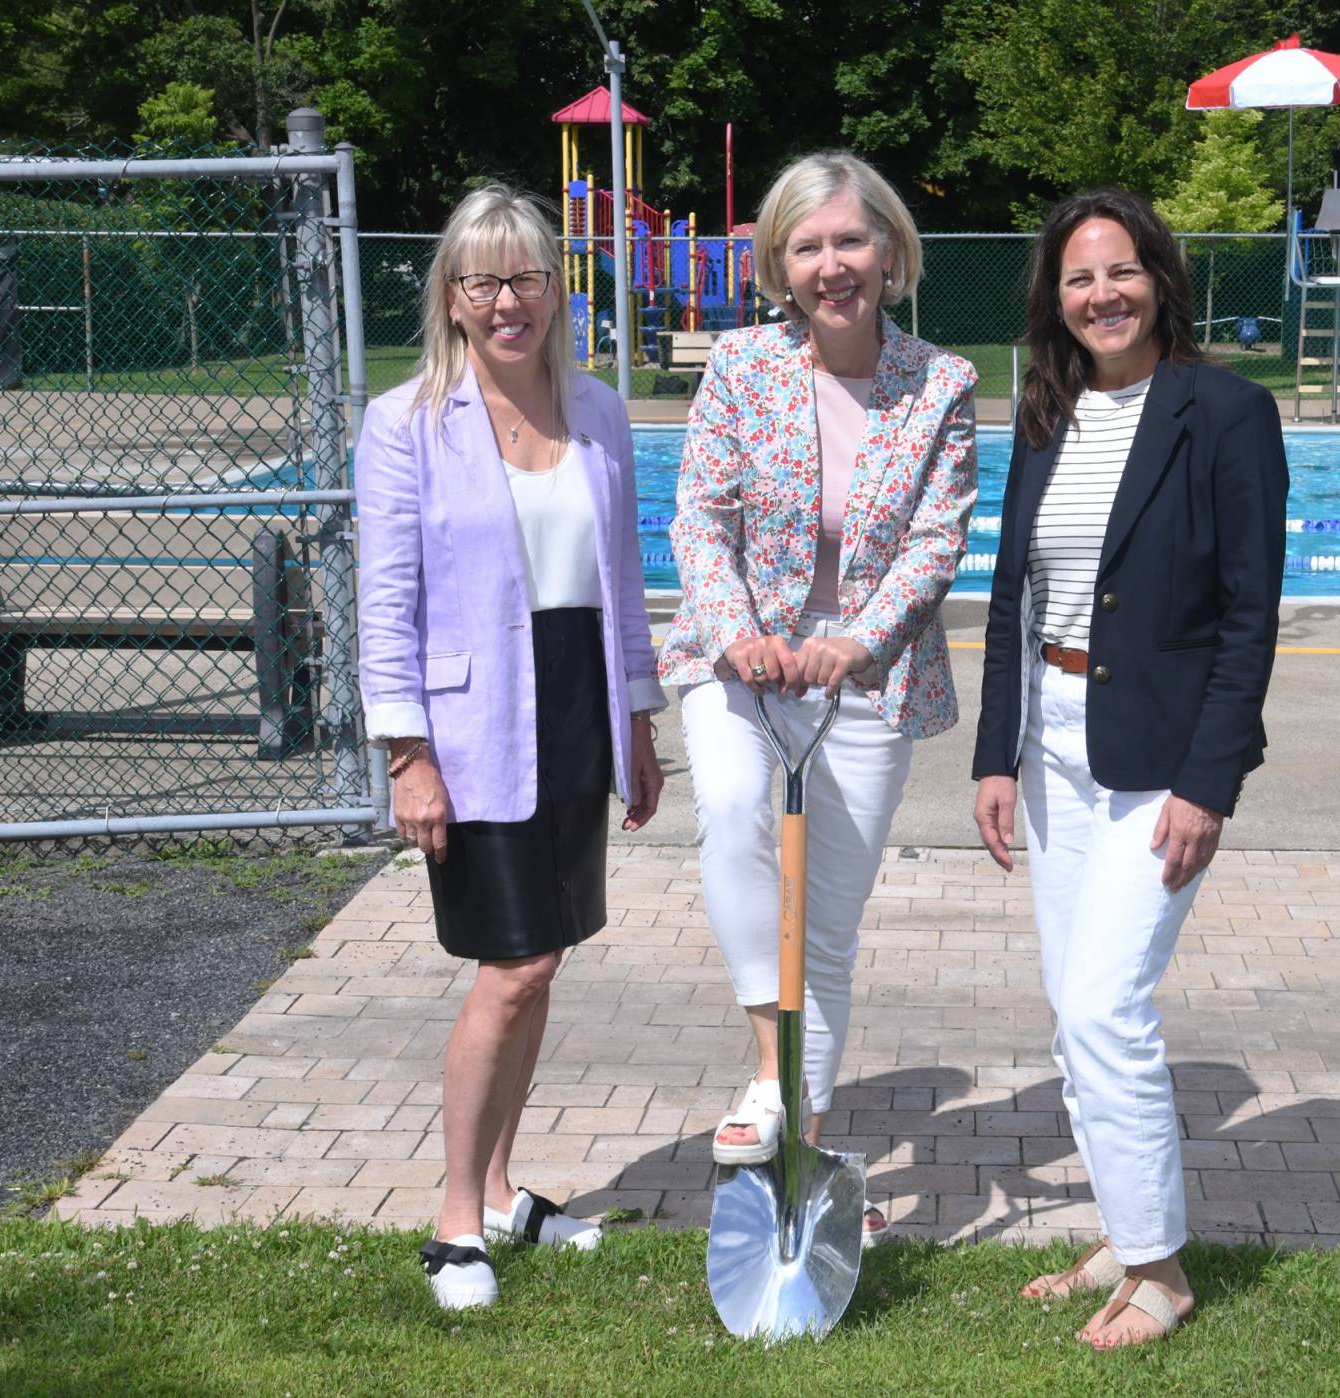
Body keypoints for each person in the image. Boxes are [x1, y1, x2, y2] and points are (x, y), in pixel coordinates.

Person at [970, 188, 1287, 1348]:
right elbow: (1011, 594)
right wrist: (996, 754)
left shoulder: (1227, 412)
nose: (1102, 295)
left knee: (1107, 1005)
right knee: (1073, 1013)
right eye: (1078, 278)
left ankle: (1160, 1268)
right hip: (1051, 744)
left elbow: (1250, 614)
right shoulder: (1045, 414)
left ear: (1159, 278)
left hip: (1160, 759)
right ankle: (1121, 1228)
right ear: (1054, 299)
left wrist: (1210, 782)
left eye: (1121, 271)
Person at [355, 184, 666, 1310]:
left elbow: (621, 577)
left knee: (548, 960)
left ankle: (497, 1192)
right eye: (481, 281)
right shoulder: (404, 423)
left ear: (554, 289)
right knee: (513, 966)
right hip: (474, 726)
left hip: (579, 706)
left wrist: (639, 718)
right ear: (451, 296)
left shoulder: (599, 411)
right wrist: (408, 755)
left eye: (526, 277)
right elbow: (386, 604)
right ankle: (455, 1222)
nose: (506, 301)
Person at [659, 151, 977, 1243]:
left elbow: (936, 542)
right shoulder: (741, 366)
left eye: (850, 241)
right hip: (740, 662)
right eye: (808, 247)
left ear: (889, 252)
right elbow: (701, 518)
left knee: (825, 927)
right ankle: (770, 1071)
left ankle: (805, 1152)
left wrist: (856, 640)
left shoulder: (942, 383)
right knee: (732, 808)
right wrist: (740, 631)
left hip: (867, 677)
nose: (831, 265)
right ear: (779, 265)